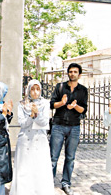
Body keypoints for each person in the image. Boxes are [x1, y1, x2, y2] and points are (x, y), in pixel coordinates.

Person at [9, 80, 54, 195]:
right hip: (25, 140)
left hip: (40, 139)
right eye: (32, 89)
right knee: (25, 168)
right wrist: (31, 115)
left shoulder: (45, 103)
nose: (35, 92)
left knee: (39, 168)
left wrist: (37, 114)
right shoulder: (22, 103)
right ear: (28, 90)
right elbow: (22, 123)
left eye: (37, 89)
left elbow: (44, 122)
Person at [49, 63, 88, 195]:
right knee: (53, 157)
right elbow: (51, 104)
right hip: (58, 126)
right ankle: (49, 182)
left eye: (75, 72)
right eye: (70, 71)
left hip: (74, 127)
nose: (72, 74)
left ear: (79, 74)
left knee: (70, 157)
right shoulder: (60, 87)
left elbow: (84, 109)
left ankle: (66, 183)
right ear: (68, 73)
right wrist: (62, 103)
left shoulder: (83, 90)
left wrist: (75, 106)